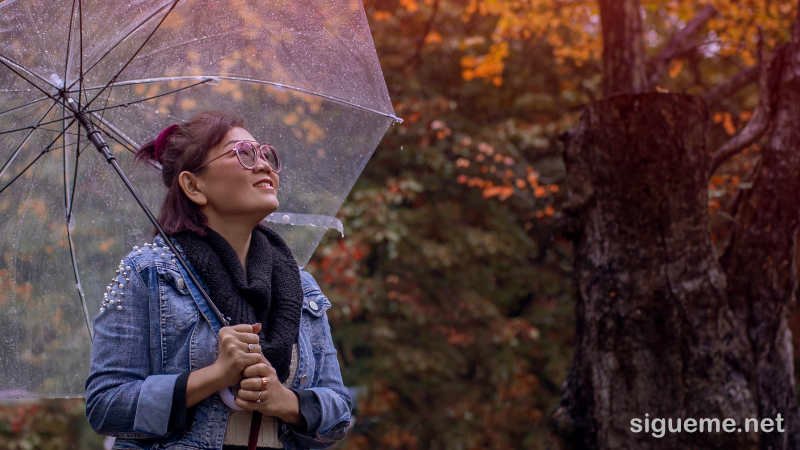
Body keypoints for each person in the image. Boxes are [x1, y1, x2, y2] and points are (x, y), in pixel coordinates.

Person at [85, 111, 352, 450]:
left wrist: (285, 401)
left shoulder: (301, 287)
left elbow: (339, 412)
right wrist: (215, 376)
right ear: (194, 186)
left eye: (266, 154)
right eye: (243, 153)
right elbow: (105, 406)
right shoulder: (149, 274)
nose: (263, 165)